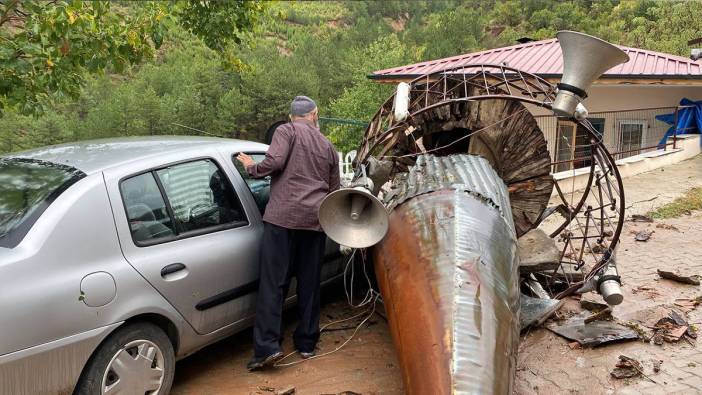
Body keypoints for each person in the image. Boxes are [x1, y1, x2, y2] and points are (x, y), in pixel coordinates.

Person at [236, 96, 340, 371]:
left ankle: (267, 348)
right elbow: (334, 190)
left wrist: (250, 166)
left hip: (282, 221)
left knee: (274, 285)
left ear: (291, 115)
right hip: (315, 222)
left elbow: (274, 161)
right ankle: (306, 343)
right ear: (315, 114)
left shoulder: (286, 131)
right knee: (309, 284)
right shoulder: (328, 146)